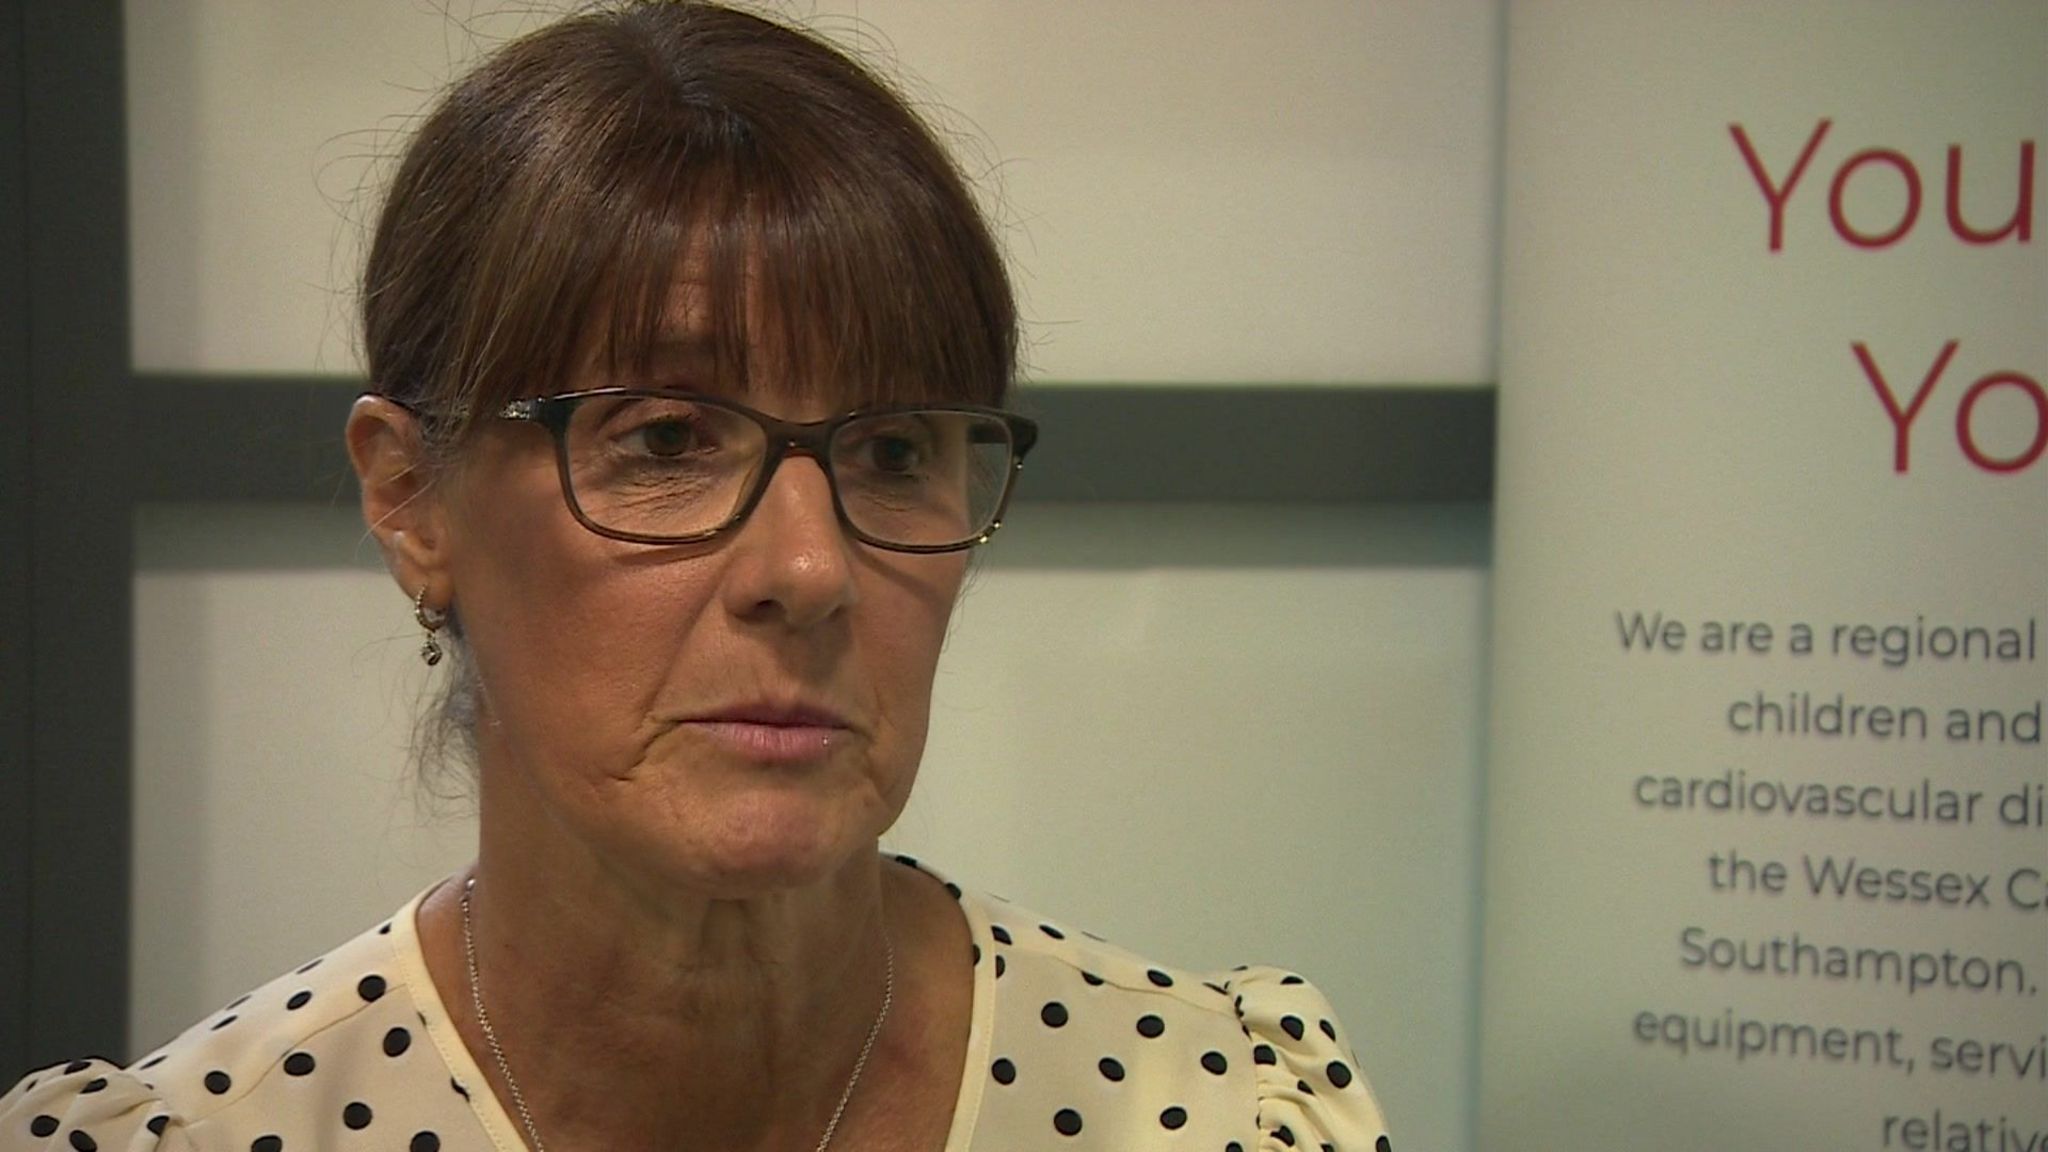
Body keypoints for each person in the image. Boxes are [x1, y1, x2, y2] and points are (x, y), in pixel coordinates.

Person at [2, 3, 1391, 1149]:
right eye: (665, 438)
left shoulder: (1218, 1110)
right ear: (411, 497)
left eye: (898, 448)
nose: (809, 566)